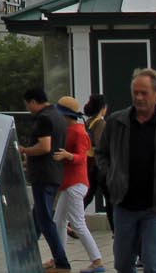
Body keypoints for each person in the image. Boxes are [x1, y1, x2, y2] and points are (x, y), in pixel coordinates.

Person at [100, 67, 156, 273]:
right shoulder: (116, 122)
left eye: (144, 93)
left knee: (152, 264)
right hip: (124, 205)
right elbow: (101, 153)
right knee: (122, 263)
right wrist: (110, 175)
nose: (139, 97)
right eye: (136, 93)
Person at [22, 87, 72, 273]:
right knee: (37, 218)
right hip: (55, 173)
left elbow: (44, 147)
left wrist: (24, 150)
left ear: (33, 102)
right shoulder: (58, 115)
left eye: (28, 105)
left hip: (44, 174)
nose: (28, 108)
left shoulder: (43, 118)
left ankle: (61, 262)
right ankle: (25, 254)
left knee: (44, 220)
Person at [54, 96, 106, 272]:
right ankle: (59, 258)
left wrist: (68, 156)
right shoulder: (71, 130)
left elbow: (82, 157)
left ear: (65, 115)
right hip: (70, 183)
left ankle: (97, 261)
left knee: (77, 223)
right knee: (59, 221)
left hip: (75, 183)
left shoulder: (78, 132)